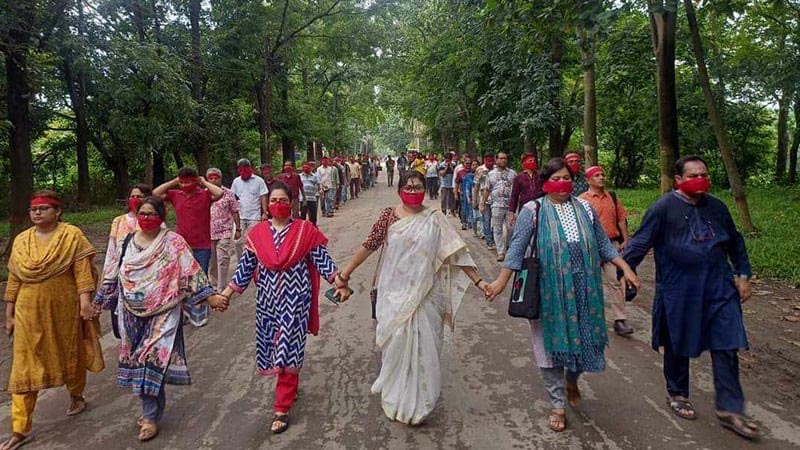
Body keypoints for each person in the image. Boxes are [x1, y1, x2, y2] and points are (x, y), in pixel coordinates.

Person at [485, 159, 639, 433]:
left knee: (584, 340)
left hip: (585, 289)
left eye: (566, 177)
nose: (562, 183)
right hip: (548, 291)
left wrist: (625, 268)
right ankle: (557, 403)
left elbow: (604, 245)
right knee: (548, 346)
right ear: (545, 182)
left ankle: (573, 379)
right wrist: (500, 282)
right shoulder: (533, 210)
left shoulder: (586, 209)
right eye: (555, 178)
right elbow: (517, 249)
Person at [336, 171, 490, 425]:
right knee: (396, 344)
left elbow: (456, 254)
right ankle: (396, 398)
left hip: (425, 295)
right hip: (392, 294)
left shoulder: (435, 219)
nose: (413, 190)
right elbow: (369, 245)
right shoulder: (389, 216)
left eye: (417, 186)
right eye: (407, 186)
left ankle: (420, 404)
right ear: (399, 189)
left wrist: (480, 281)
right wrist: (345, 274)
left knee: (424, 348)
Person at [622, 155, 759, 439]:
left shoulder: (718, 207)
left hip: (719, 289)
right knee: (678, 342)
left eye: (704, 174)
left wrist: (743, 274)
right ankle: (677, 393)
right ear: (679, 180)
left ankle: (729, 409)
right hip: (679, 290)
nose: (701, 179)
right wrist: (627, 271)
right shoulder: (663, 208)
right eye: (694, 174)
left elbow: (735, 242)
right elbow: (640, 241)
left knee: (727, 344)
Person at [95, 197, 228, 442]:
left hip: (165, 311)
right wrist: (98, 301)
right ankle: (151, 408)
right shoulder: (127, 243)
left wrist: (211, 298)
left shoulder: (173, 242)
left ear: (162, 216)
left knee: (151, 360)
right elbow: (112, 270)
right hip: (131, 314)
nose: (146, 218)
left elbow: (191, 272)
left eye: (150, 214)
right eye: (142, 214)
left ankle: (149, 417)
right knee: (139, 362)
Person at [220, 182, 345, 434]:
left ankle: (282, 406)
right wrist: (226, 293)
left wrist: (338, 280)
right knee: (273, 347)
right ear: (268, 204)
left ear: (292, 203)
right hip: (267, 304)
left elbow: (321, 259)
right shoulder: (256, 234)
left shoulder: (304, 231)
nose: (278, 204)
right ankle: (290, 386)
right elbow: (245, 268)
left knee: (289, 349)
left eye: (283, 200)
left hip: (296, 302)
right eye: (274, 200)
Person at [2, 191, 103, 450]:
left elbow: (82, 275)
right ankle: (21, 429)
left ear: (57, 212)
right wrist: (9, 312)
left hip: (64, 310)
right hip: (27, 312)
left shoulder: (71, 236)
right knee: (24, 367)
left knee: (71, 352)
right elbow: (14, 278)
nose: (37, 213)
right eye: (34, 209)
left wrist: (85, 305)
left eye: (44, 209)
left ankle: (76, 395)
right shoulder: (22, 240)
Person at [153, 167, 223, 327]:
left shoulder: (204, 194)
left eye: (188, 181)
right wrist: (175, 182)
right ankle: (184, 311)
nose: (185, 184)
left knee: (200, 278)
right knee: (180, 280)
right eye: (182, 182)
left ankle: (199, 311)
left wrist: (203, 181)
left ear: (195, 181)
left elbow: (218, 193)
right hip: (181, 245)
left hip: (202, 244)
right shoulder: (176, 195)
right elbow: (156, 193)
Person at [578, 166, 633, 336]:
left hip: (611, 245)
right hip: (590, 247)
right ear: (588, 180)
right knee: (589, 282)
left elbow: (621, 218)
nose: (601, 178)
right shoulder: (582, 200)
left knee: (615, 281)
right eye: (597, 175)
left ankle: (620, 319)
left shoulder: (612, 197)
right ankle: (587, 318)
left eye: (602, 174)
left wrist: (625, 239)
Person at [102, 184, 152, 273]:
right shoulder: (118, 221)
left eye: (139, 197)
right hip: (121, 270)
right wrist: (106, 274)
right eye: (132, 196)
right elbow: (111, 250)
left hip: (146, 270)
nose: (135, 199)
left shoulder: (153, 221)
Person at [207, 168, 241, 291]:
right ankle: (214, 284)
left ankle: (221, 287)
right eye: (210, 178)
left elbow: (235, 212)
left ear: (220, 178)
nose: (213, 180)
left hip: (224, 232)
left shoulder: (228, 193)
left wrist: (238, 229)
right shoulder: (204, 194)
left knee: (222, 259)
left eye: (216, 178)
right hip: (208, 232)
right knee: (212, 261)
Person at [481, 152, 516, 261]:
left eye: (505, 158)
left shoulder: (513, 174)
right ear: (496, 160)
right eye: (501, 158)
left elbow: (517, 190)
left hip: (510, 206)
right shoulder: (490, 174)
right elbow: (487, 189)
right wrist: (482, 203)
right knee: (497, 229)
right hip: (496, 205)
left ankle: (510, 249)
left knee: (511, 228)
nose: (503, 160)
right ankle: (501, 252)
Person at [232, 158, 269, 257]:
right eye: (240, 170)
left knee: (253, 241)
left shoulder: (259, 181)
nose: (243, 172)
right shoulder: (236, 181)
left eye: (245, 170)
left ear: (250, 169)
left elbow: (263, 197)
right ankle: (241, 262)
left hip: (254, 216)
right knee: (237, 241)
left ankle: (254, 261)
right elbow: (233, 198)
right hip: (240, 216)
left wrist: (265, 213)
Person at [508, 153, 540, 228]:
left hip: (539, 207)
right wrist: (512, 212)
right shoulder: (519, 178)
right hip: (525, 207)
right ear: (524, 163)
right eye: (530, 161)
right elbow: (514, 196)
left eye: (534, 160)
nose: (533, 162)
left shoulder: (540, 176)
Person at [475, 153, 495, 248]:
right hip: (484, 198)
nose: (490, 162)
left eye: (491, 160)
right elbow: (476, 185)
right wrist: (475, 200)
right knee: (486, 220)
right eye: (488, 160)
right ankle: (489, 241)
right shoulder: (480, 170)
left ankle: (494, 238)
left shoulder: (496, 169)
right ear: (484, 160)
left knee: (495, 221)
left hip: (496, 199)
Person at [455, 155, 474, 230]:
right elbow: (456, 183)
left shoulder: (474, 172)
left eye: (470, 163)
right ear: (463, 164)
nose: (468, 165)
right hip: (463, 193)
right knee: (463, 208)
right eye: (467, 163)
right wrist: (456, 193)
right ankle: (464, 222)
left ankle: (471, 222)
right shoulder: (460, 172)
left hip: (473, 193)